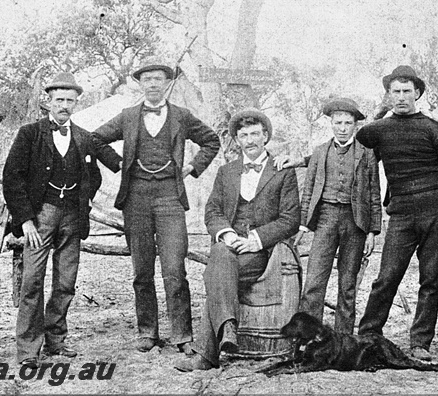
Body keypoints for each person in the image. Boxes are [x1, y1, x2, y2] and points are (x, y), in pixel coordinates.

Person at [93, 63, 220, 354]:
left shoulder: (181, 116)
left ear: (167, 83)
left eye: (158, 79)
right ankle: (147, 332)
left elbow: (212, 140)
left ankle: (182, 335)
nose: (152, 84)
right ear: (139, 84)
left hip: (170, 198)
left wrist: (192, 167)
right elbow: (96, 139)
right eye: (147, 79)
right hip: (135, 197)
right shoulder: (127, 116)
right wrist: (118, 164)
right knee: (142, 270)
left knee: (175, 269)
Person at [174, 110, 300, 371]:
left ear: (265, 136)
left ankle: (209, 352)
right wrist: (228, 235)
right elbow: (213, 211)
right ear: (236, 140)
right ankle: (228, 329)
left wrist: (255, 239)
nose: (250, 140)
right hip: (229, 247)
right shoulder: (226, 172)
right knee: (220, 255)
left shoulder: (282, 170)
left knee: (216, 275)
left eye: (255, 134)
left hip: (261, 252)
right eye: (243, 135)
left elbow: (291, 219)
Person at [3, 72, 113, 365]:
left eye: (70, 100)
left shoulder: (83, 137)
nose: (64, 105)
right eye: (59, 100)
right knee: (32, 281)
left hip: (72, 217)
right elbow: (12, 178)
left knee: (66, 281)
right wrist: (25, 220)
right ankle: (28, 349)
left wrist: (83, 200)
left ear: (77, 103)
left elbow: (95, 176)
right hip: (40, 216)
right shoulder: (30, 134)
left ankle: (56, 340)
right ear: (48, 102)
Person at [354, 65, 438, 361]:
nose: (401, 97)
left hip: (436, 211)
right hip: (400, 213)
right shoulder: (379, 130)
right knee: (386, 276)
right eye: (395, 91)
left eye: (406, 91)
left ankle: (420, 343)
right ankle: (368, 335)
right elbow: (347, 147)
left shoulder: (434, 128)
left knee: (430, 280)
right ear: (388, 95)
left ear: (417, 94)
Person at [276, 98, 381, 333]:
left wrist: (373, 231)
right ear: (331, 124)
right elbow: (309, 190)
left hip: (355, 223)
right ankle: (310, 335)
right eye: (338, 123)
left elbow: (374, 192)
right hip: (326, 218)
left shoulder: (366, 154)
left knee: (348, 283)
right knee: (315, 280)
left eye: (347, 123)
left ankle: (344, 337)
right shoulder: (320, 152)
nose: (342, 128)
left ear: (355, 126)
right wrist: (303, 226)